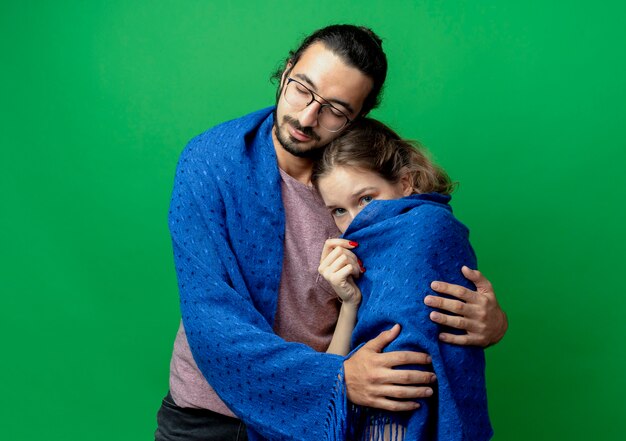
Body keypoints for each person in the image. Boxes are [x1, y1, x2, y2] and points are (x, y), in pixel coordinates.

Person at [155, 24, 507, 441]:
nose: (307, 117)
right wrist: (337, 380)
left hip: (332, 422)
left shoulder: (365, 192)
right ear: (286, 71)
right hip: (210, 417)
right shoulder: (209, 162)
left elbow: (412, 302)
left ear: (358, 117)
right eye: (302, 88)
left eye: (335, 111)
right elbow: (210, 319)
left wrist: (491, 325)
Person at [314, 118, 492, 440]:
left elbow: (429, 349)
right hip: (364, 423)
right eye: (338, 211)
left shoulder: (429, 228)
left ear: (405, 183)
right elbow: (332, 375)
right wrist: (350, 302)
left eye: (366, 199)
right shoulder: (355, 263)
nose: (357, 222)